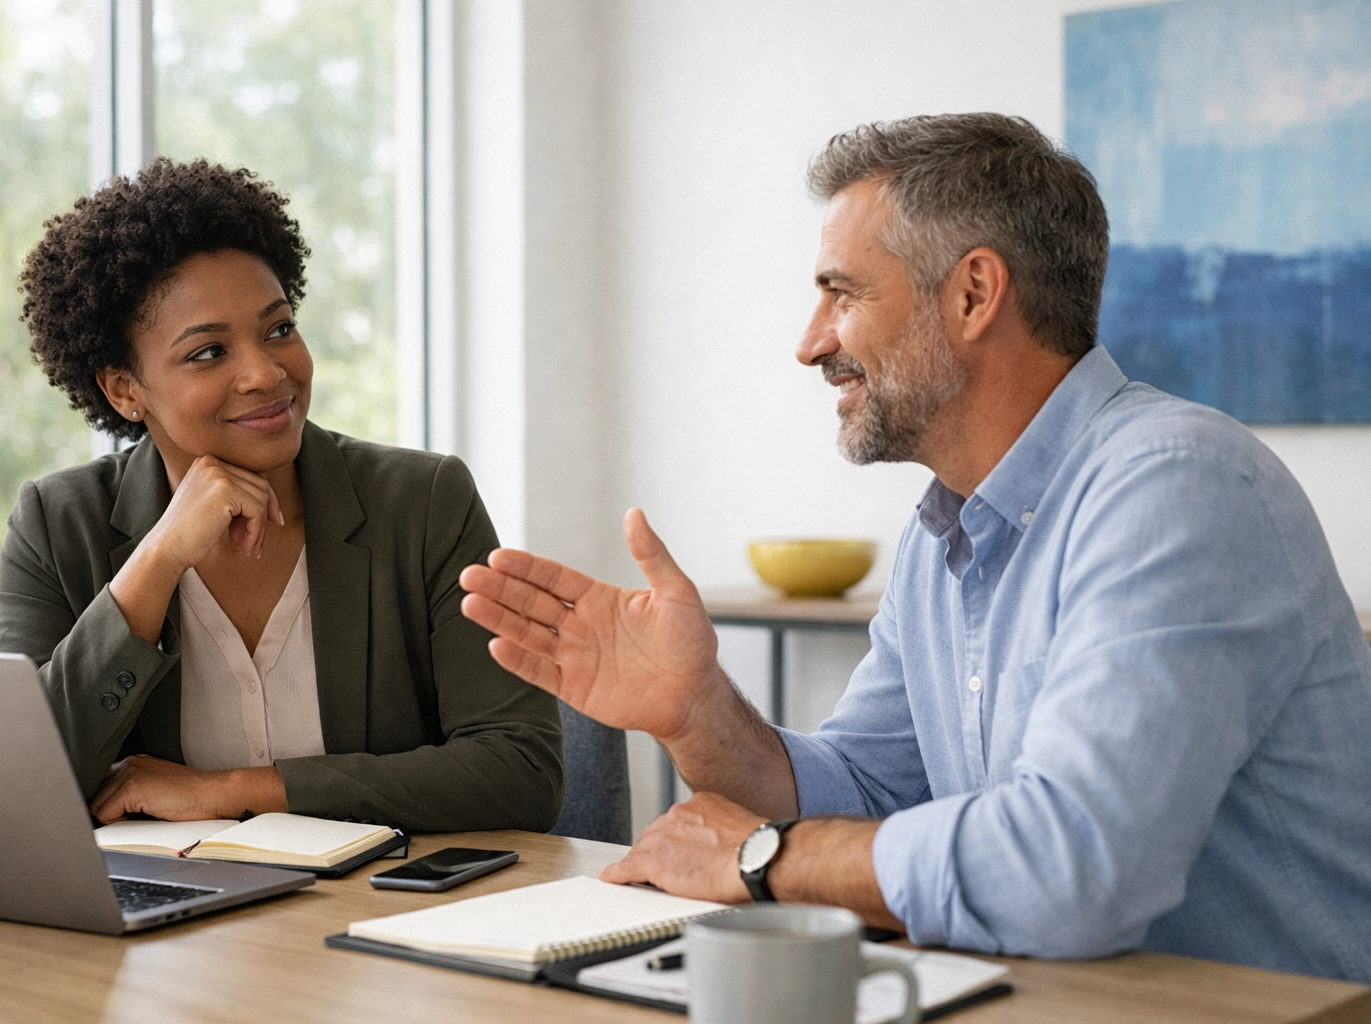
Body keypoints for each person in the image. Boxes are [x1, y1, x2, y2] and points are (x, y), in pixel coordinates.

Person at [459, 114, 1371, 982]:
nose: (809, 343)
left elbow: (1072, 872)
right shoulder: (944, 535)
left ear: (974, 292)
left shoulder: (1176, 485)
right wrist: (697, 712)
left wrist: (764, 856)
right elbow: (862, 789)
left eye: (841, 293)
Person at [0, 158, 563, 833]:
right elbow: (13, 785)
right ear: (124, 390)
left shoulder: (423, 502)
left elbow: (520, 771)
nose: (266, 374)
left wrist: (234, 790)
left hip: (382, 909)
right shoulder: (57, 526)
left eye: (279, 330)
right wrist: (159, 559)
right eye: (208, 353)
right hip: (169, 925)